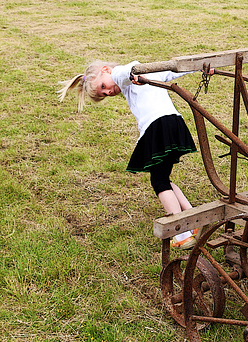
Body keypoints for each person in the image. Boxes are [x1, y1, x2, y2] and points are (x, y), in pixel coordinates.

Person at [58, 60, 207, 249]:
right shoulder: (146, 73)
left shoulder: (122, 73)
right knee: (163, 178)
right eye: (104, 94)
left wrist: (132, 75)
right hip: (172, 123)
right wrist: (200, 67)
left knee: (159, 183)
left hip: (157, 127)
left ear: (106, 70)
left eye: (103, 86)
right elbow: (171, 71)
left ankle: (181, 233)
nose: (108, 92)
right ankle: (193, 217)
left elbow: (124, 72)